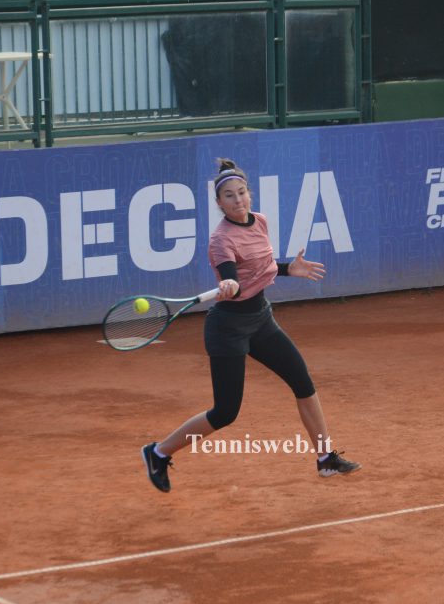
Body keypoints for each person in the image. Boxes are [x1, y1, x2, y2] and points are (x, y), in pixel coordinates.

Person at [141, 158, 361, 492]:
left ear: (250, 195)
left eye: (241, 192)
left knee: (303, 383)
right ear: (219, 203)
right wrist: (229, 285)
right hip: (228, 328)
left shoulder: (260, 222)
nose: (238, 200)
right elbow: (232, 277)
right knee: (226, 412)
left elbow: (263, 266)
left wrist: (288, 269)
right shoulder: (220, 241)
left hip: (261, 320)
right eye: (229, 196)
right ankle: (158, 452)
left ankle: (325, 458)